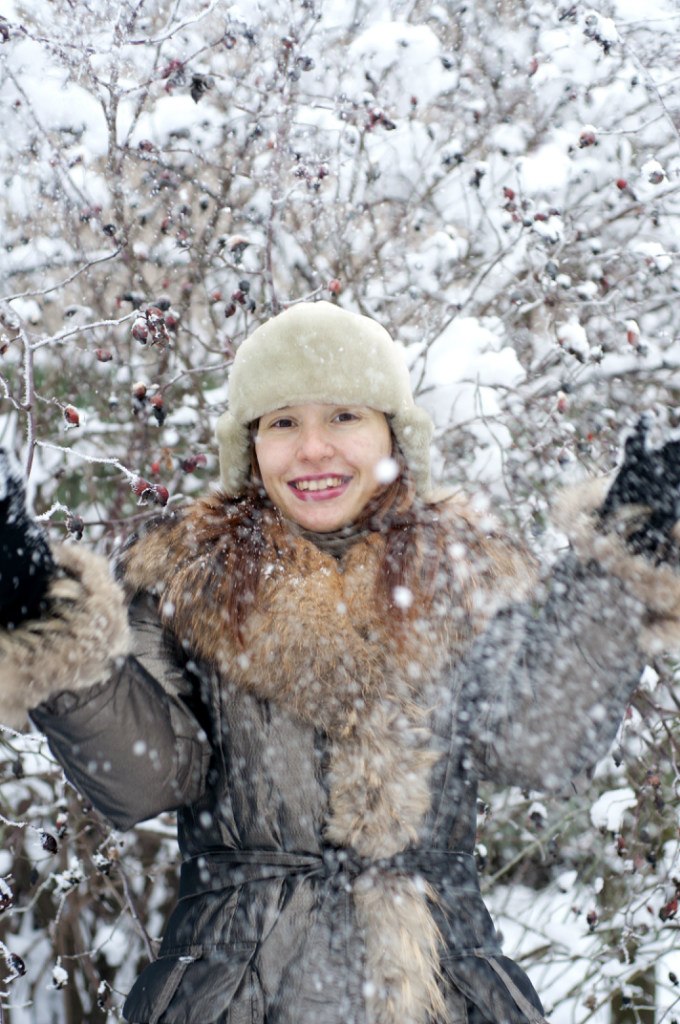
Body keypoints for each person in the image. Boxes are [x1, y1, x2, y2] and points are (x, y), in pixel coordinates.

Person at [1, 300, 680, 1024]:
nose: (313, 449)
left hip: (444, 990)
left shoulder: (463, 573)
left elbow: (540, 744)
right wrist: (40, 614)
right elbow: (146, 778)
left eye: (344, 416)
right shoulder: (188, 579)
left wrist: (618, 572)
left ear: (392, 431)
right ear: (251, 444)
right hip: (237, 994)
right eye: (282, 423)